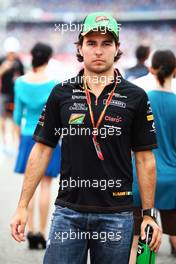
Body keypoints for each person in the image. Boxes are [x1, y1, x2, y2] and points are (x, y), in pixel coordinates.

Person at [10, 12, 161, 264]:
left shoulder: (136, 96)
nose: (98, 50)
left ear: (117, 49)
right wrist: (23, 206)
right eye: (91, 43)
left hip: (117, 215)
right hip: (68, 212)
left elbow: (145, 159)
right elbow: (42, 150)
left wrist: (148, 215)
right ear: (80, 47)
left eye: (106, 43)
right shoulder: (61, 92)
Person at [13, 42, 61, 249]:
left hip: (26, 136)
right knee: (46, 187)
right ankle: (41, 231)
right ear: (48, 58)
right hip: (49, 137)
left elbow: (16, 116)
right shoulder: (54, 83)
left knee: (28, 186)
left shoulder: (20, 82)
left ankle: (29, 230)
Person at [130, 50, 176, 263]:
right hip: (173, 181)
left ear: (152, 69)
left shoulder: (141, 99)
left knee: (137, 239)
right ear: (174, 71)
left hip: (141, 177)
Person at [0, 37, 24, 152]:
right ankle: (4, 143)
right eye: (10, 53)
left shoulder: (18, 62)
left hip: (15, 94)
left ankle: (16, 143)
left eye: (13, 53)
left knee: (16, 118)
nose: (11, 55)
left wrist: (18, 78)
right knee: (2, 118)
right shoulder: (2, 60)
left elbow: (24, 77)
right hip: (3, 93)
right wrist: (3, 68)